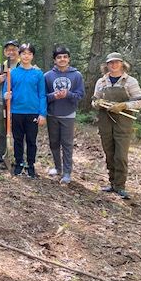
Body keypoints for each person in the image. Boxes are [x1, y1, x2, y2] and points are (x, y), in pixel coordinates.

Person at [91, 53, 141, 199]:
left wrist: (124, 105)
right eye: (110, 63)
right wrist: (96, 103)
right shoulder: (101, 82)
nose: (114, 65)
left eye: (117, 62)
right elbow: (95, 99)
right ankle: (112, 183)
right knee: (109, 153)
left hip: (123, 123)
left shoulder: (130, 81)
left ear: (122, 64)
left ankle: (120, 186)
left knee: (120, 155)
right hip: (105, 122)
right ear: (106, 65)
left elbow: (140, 102)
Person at [3, 43, 47, 178]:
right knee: (18, 139)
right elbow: (6, 91)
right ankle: (19, 163)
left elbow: (42, 94)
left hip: (32, 112)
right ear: (19, 55)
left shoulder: (38, 74)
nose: (26, 56)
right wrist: (6, 95)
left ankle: (30, 164)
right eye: (23, 53)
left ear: (32, 56)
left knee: (31, 140)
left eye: (29, 53)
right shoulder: (12, 73)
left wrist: (42, 113)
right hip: (16, 111)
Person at [44, 46, 85, 184]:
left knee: (67, 144)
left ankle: (67, 172)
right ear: (55, 60)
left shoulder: (76, 75)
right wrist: (54, 96)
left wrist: (68, 94)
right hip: (52, 114)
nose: (62, 59)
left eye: (65, 57)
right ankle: (58, 167)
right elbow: (43, 96)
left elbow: (80, 95)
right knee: (54, 143)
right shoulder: (48, 76)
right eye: (59, 57)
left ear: (69, 59)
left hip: (68, 114)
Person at [0, 40, 21, 165]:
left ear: (18, 51)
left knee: (18, 131)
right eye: (8, 50)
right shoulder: (1, 66)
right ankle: (0, 154)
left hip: (17, 103)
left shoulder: (22, 65)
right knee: (1, 130)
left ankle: (17, 155)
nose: (11, 52)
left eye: (14, 49)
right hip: (2, 102)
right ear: (5, 52)